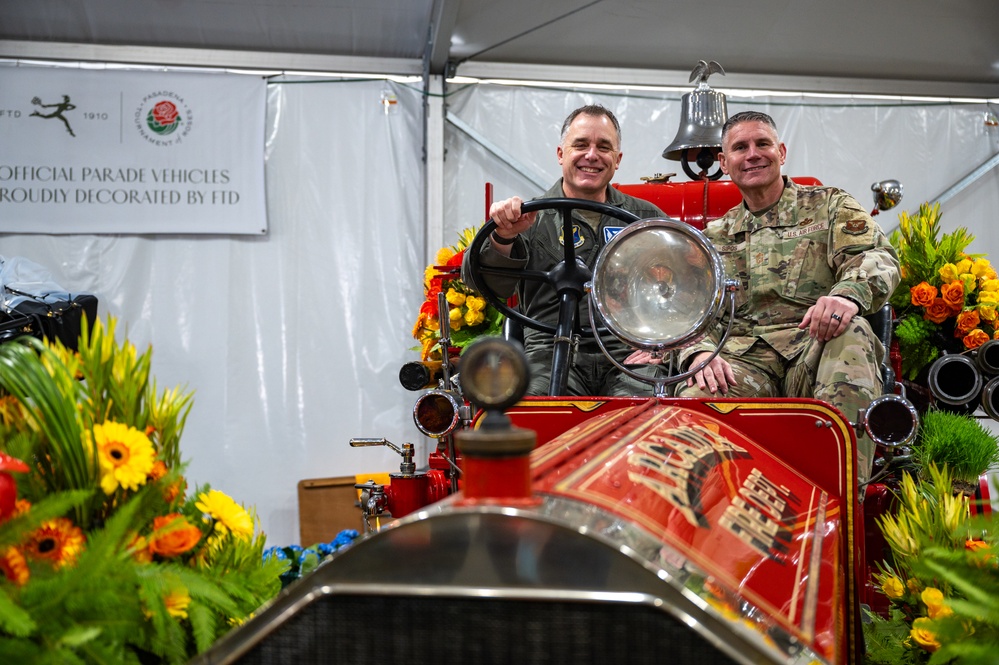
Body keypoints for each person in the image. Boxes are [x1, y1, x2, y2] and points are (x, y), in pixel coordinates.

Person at [669, 111, 900, 485]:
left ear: (781, 151)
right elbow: (687, 308)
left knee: (851, 330)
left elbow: (876, 257)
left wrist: (846, 296)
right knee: (698, 392)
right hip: (743, 364)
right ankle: (705, 519)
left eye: (762, 143)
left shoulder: (829, 206)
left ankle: (840, 501)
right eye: (740, 148)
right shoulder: (714, 237)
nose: (753, 154)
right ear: (725, 163)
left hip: (814, 350)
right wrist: (697, 351)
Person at [462, 104, 666, 396]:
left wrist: (668, 346)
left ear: (617, 159)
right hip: (548, 350)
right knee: (534, 411)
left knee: (647, 414)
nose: (591, 155)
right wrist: (503, 237)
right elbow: (482, 282)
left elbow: (689, 289)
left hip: (629, 355)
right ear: (561, 154)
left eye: (603, 147)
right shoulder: (527, 219)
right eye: (580, 145)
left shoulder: (646, 218)